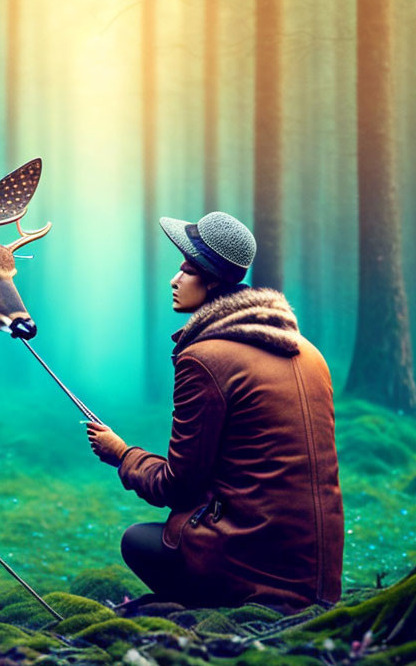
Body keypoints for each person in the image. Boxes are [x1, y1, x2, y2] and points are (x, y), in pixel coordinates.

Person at [86, 211, 343, 613]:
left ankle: (216, 603)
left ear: (212, 281)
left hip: (254, 568)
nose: (174, 280)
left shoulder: (203, 358)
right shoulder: (311, 354)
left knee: (137, 540)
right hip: (320, 577)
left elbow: (177, 486)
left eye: (187, 270)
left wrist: (121, 454)